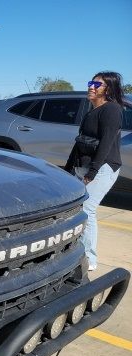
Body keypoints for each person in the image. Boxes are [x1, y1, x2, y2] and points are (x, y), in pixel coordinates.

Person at [64, 71, 124, 272]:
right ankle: (75, 250)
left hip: (103, 167)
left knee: (86, 209)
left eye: (97, 84)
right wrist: (68, 168)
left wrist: (93, 171)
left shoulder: (112, 109)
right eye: (91, 82)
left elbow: (106, 143)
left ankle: (89, 258)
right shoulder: (91, 111)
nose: (91, 86)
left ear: (108, 89)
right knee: (75, 209)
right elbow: (80, 142)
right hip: (83, 166)